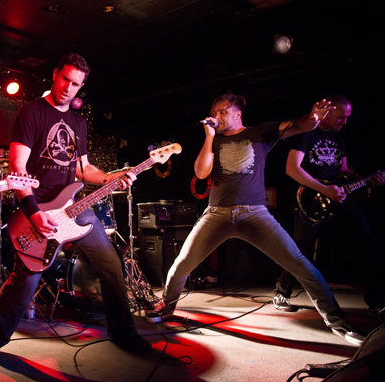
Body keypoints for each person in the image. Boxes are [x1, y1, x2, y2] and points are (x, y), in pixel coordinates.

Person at [0, 53, 151, 366]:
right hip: (38, 207)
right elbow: (17, 168)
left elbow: (83, 169)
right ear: (55, 75)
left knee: (111, 264)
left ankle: (123, 333)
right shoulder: (32, 112)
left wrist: (110, 178)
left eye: (76, 84)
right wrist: (33, 212)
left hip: (74, 206)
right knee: (25, 280)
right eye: (65, 79)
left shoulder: (78, 122)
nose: (69, 87)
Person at [146, 92, 366, 346]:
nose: (216, 116)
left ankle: (339, 323)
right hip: (217, 213)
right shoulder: (214, 140)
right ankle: (167, 307)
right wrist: (209, 137)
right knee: (182, 263)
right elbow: (201, 172)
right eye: (214, 112)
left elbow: (299, 125)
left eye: (222, 112)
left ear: (238, 114)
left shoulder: (261, 132)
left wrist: (314, 119)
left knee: (301, 265)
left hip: (255, 213)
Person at [273, 95, 385, 316]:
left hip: (339, 198)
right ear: (327, 113)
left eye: (347, 118)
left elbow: (343, 170)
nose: (344, 122)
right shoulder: (306, 132)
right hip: (309, 199)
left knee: (368, 242)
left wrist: (366, 180)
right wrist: (324, 189)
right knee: (301, 249)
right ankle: (281, 293)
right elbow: (292, 169)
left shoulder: (338, 135)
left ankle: (376, 300)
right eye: (341, 117)